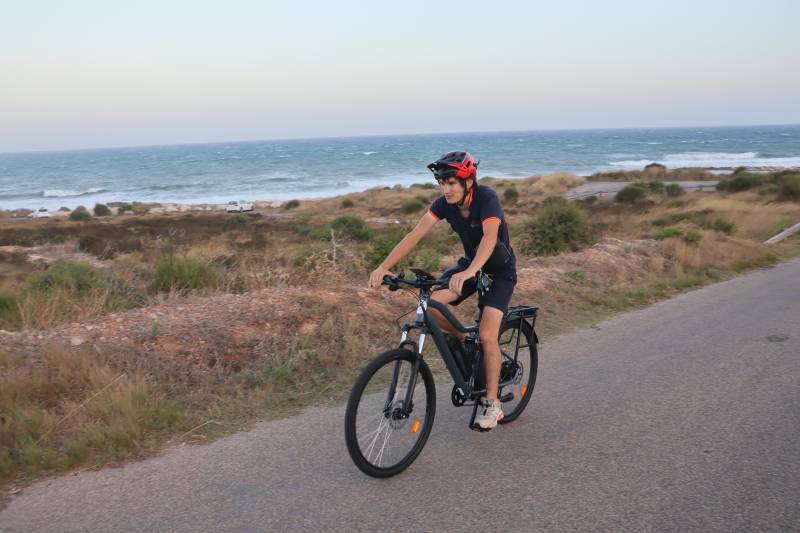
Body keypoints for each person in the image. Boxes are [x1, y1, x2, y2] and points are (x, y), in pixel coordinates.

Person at [368, 151, 517, 429]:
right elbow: (415, 234)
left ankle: (492, 403)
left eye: (452, 183)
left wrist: (471, 271)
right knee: (429, 306)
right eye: (442, 183)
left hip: (498, 272)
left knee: (487, 334)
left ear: (468, 182)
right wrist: (383, 266)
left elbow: (489, 237)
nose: (446, 189)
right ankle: (463, 337)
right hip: (468, 268)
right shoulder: (444, 204)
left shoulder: (486, 199)